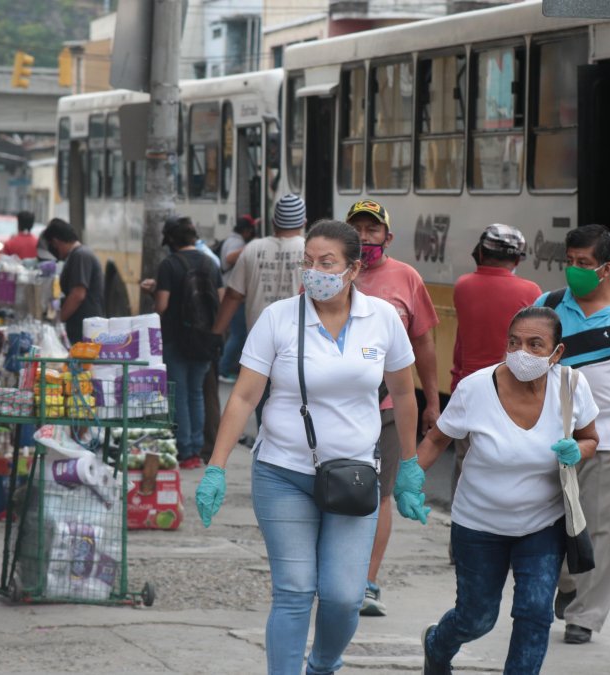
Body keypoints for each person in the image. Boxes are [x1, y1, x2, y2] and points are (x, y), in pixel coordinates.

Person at [194, 220, 427, 675]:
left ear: (353, 269)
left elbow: (403, 394)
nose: (314, 271)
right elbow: (243, 397)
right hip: (282, 473)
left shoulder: (382, 319)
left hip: (354, 477)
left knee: (344, 595)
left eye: (326, 263)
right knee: (295, 590)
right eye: (308, 261)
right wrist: (216, 467)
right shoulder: (279, 318)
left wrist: (410, 464)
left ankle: (322, 665)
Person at [417, 306, 600, 675]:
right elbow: (437, 439)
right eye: (514, 342)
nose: (522, 353)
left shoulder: (571, 386)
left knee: (535, 613)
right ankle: (437, 645)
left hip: (542, 523)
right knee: (476, 617)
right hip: (478, 525)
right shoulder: (475, 388)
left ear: (557, 353)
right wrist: (408, 480)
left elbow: (590, 438)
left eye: (535, 345)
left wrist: (577, 450)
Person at [537, 223, 610, 646]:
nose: (574, 270)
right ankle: (568, 583)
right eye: (570, 262)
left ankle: (585, 616)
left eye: (584, 263)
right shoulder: (547, 307)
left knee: (603, 531)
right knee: (552, 524)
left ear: (606, 268)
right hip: (553, 438)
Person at [345, 199, 440, 617]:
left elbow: (424, 344)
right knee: (332, 490)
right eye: (357, 229)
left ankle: (366, 581)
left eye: (372, 229)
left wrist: (431, 401)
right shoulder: (331, 274)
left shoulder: (407, 278)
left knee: (380, 495)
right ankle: (334, 575)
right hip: (334, 410)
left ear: (388, 236)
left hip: (386, 407)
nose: (364, 237)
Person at [450, 224, 542, 505]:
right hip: (514, 392)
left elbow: (461, 340)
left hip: (469, 389)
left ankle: (464, 523)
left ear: (480, 252)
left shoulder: (463, 286)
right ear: (517, 259)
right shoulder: (531, 291)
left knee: (467, 463)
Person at [211, 194, 307, 428]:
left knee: (262, 406)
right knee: (297, 408)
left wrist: (215, 334)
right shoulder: (308, 249)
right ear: (304, 222)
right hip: (300, 343)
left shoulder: (253, 248)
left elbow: (233, 295)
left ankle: (267, 442)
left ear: (273, 223)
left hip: (260, 345)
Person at [151, 218, 223, 470]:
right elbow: (221, 298)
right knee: (196, 393)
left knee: (179, 394)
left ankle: (184, 449)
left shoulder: (169, 265)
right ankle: (196, 448)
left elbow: (161, 305)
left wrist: (153, 292)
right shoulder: (210, 263)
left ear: (171, 240)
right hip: (204, 340)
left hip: (176, 339)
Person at [42, 219, 105, 345]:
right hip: (81, 329)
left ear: (55, 242)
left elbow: (77, 295)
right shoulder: (77, 255)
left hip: (85, 331)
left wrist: (58, 322)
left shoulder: (80, 256)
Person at [217, 215, 257, 383]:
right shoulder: (237, 243)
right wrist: (251, 247)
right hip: (235, 295)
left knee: (238, 334)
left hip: (232, 292)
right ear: (246, 231)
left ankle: (225, 368)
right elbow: (229, 258)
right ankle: (224, 369)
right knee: (239, 334)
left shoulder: (231, 239)